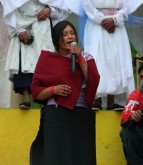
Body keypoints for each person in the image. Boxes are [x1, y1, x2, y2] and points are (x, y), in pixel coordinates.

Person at [30, 20, 100, 165]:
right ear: (57, 38)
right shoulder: (47, 59)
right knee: (57, 157)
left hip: (81, 115)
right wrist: (53, 90)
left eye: (72, 33)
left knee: (82, 157)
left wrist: (79, 58)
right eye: (65, 34)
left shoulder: (86, 57)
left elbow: (93, 81)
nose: (70, 37)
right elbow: (36, 92)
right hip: (56, 116)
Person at [2, 0, 68, 109]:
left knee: (46, 63)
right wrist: (19, 30)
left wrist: (49, 10)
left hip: (44, 26)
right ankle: (26, 98)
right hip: (23, 27)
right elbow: (10, 10)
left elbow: (60, 6)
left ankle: (45, 99)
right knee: (24, 63)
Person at [82, 0, 143, 110]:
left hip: (117, 27)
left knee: (116, 61)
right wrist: (104, 20)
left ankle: (112, 101)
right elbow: (87, 6)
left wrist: (114, 20)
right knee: (97, 60)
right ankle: (97, 100)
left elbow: (125, 8)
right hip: (96, 25)